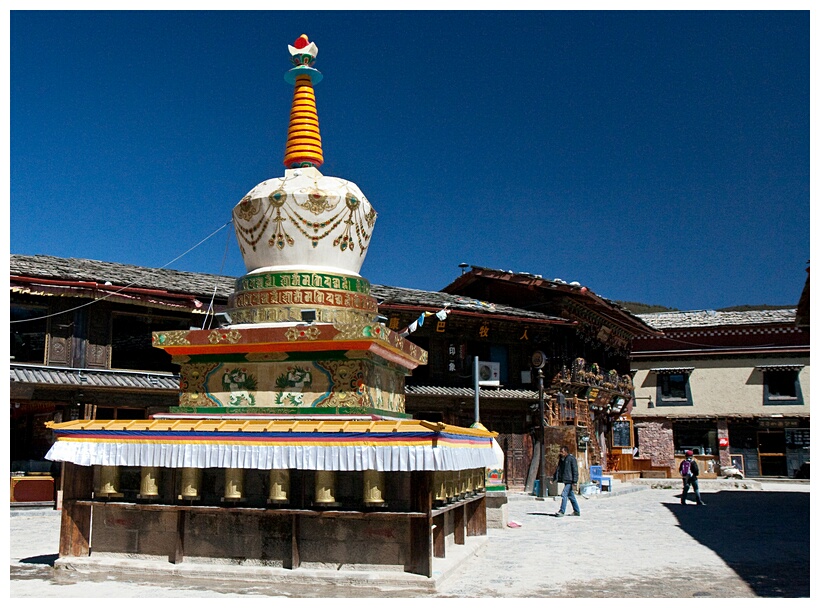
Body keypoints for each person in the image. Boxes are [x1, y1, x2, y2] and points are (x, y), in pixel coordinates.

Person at [553, 445, 580, 516]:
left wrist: (575, 481)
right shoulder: (562, 460)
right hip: (565, 480)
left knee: (564, 494)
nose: (561, 453)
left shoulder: (571, 459)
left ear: (566, 452)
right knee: (571, 496)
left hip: (570, 480)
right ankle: (576, 511)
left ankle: (562, 511)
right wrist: (554, 479)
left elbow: (575, 470)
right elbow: (558, 469)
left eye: (562, 452)